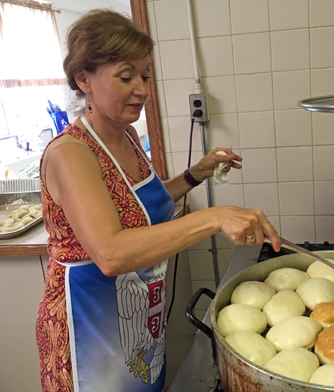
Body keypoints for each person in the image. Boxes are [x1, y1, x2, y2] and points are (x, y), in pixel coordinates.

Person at [35, 9, 280, 392]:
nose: (143, 89)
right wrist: (213, 218)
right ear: (83, 79)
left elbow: (139, 205)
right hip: (89, 329)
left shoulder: (126, 136)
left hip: (134, 319)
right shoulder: (71, 153)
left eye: (145, 74)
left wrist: (195, 173)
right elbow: (111, 253)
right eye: (126, 75)